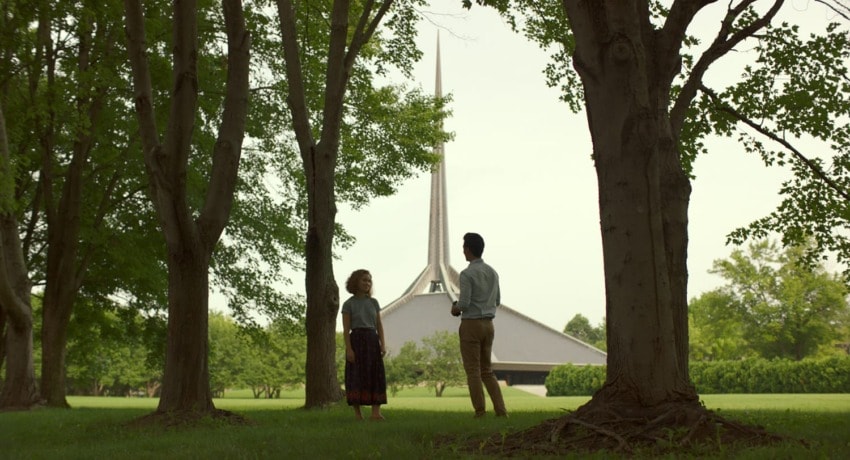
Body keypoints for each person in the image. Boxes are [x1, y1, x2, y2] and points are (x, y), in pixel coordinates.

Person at [450, 232, 508, 418]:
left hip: (471, 325)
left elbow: (464, 303)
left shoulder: (467, 274)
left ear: (468, 249)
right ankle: (501, 411)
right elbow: (497, 300)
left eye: (464, 248)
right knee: (487, 371)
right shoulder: (492, 272)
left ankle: (480, 411)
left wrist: (455, 308)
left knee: (473, 371)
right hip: (489, 325)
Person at [342, 269, 387, 421]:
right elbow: (346, 329)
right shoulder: (348, 304)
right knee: (356, 376)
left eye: (369, 280)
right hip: (356, 341)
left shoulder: (374, 303)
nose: (367, 283)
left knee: (375, 375)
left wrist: (382, 344)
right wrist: (349, 349)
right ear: (355, 282)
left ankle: (375, 413)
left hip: (372, 340)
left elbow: (379, 325)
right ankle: (358, 414)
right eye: (364, 280)